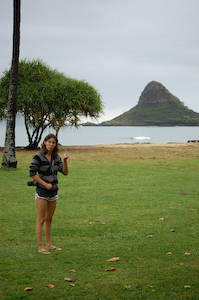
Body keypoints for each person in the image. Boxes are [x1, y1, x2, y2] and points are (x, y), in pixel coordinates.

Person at [29, 134, 69, 254]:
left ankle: (49, 244)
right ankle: (41, 247)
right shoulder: (38, 156)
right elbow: (32, 173)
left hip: (53, 192)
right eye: (49, 142)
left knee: (49, 219)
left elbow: (65, 172)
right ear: (45, 142)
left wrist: (65, 161)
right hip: (42, 192)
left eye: (53, 142)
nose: (51, 144)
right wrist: (45, 184)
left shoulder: (57, 158)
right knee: (41, 220)